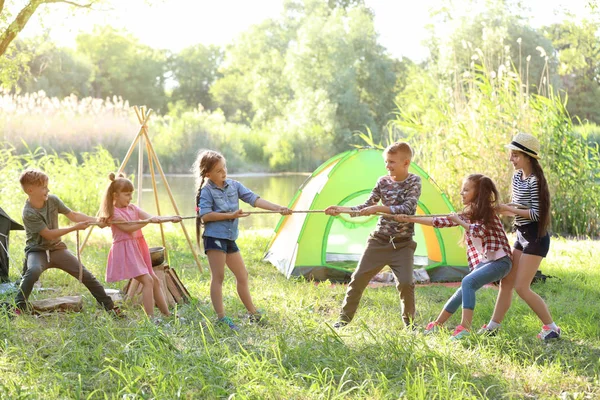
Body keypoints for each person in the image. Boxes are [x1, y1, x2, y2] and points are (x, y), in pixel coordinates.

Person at [397, 174, 513, 340]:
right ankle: (438, 324)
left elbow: (479, 231)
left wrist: (459, 220)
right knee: (463, 289)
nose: (462, 193)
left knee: (468, 282)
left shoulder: (487, 213)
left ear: (478, 192)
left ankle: (465, 327)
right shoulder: (469, 213)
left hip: (501, 262)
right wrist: (409, 219)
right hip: (489, 261)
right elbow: (438, 221)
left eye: (466, 189)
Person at [325, 142, 421, 328]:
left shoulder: (414, 181)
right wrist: (341, 209)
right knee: (357, 279)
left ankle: (410, 326)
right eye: (386, 162)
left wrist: (378, 208)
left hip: (403, 244)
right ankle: (343, 321)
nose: (388, 166)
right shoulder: (382, 182)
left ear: (406, 163)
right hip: (379, 241)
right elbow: (365, 207)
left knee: (406, 284)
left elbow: (408, 208)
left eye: (392, 162)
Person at [194, 150, 291, 331]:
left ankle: (253, 313)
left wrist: (277, 208)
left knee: (242, 275)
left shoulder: (234, 186)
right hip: (214, 237)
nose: (224, 173)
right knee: (219, 277)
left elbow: (254, 199)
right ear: (208, 174)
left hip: (229, 237)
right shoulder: (206, 192)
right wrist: (230, 215)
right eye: (218, 170)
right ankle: (221, 317)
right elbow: (205, 215)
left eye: (224, 168)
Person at [480, 132, 560, 340]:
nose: (511, 159)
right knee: (506, 282)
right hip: (521, 235)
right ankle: (493, 326)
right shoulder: (517, 177)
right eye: (511, 154)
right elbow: (517, 207)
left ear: (527, 157)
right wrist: (499, 209)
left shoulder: (535, 181)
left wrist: (508, 209)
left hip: (536, 237)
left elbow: (536, 214)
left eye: (515, 155)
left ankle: (551, 327)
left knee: (521, 287)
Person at [13, 169, 122, 316]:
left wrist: (97, 220)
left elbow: (74, 215)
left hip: (57, 249)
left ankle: (110, 307)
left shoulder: (53, 200)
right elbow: (49, 235)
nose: (48, 189)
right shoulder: (28, 212)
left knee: (86, 274)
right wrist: (74, 228)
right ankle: (18, 307)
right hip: (37, 251)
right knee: (32, 271)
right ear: (30, 190)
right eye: (44, 187)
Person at [99, 173, 181, 321]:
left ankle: (167, 315)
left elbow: (152, 217)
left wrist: (170, 218)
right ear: (115, 195)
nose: (130, 198)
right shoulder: (114, 213)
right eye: (127, 194)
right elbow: (129, 228)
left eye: (131, 194)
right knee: (148, 280)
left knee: (154, 280)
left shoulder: (132, 208)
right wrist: (147, 221)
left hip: (137, 248)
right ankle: (150, 319)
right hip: (125, 251)